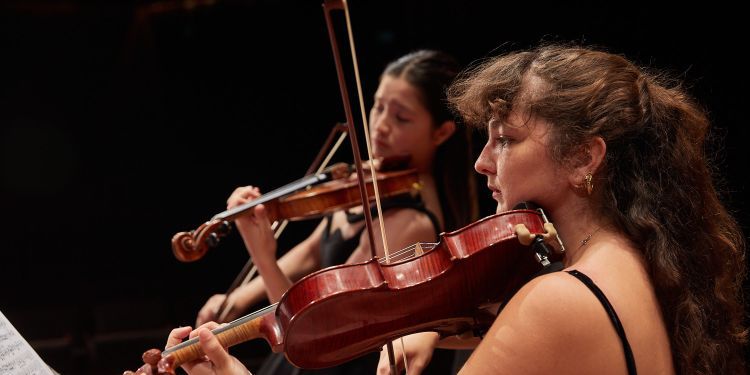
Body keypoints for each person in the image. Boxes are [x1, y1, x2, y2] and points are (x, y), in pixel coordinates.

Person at [154, 44, 747, 375]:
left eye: (507, 140)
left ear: (583, 160)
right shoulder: (635, 263)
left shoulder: (562, 300)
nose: (483, 162)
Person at [195, 49, 478, 375]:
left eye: (401, 118)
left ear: (441, 132)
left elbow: (317, 328)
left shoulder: (412, 224)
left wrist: (263, 256)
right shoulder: (368, 182)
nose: (380, 125)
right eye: (378, 106)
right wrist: (237, 298)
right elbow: (314, 248)